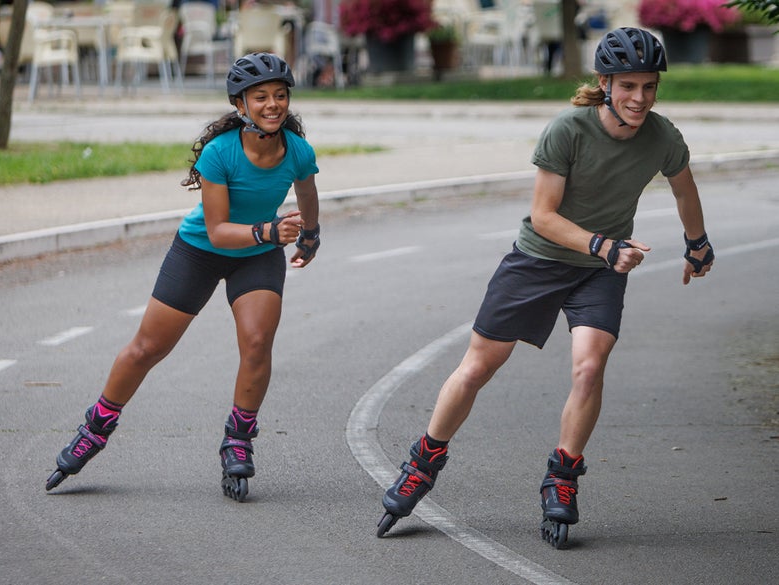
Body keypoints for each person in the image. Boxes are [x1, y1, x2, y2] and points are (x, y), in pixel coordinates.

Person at [377, 27, 715, 546]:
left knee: (589, 366)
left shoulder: (663, 136)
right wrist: (605, 246)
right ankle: (424, 461)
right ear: (605, 83)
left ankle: (562, 477)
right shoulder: (569, 130)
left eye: (649, 86)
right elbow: (544, 217)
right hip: (537, 262)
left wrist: (698, 245)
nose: (640, 98)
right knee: (476, 368)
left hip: (597, 271)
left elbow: (685, 190)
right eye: (628, 86)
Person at [45, 53, 321, 502]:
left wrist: (310, 234)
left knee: (257, 343)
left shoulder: (297, 149)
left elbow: (307, 190)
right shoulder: (220, 153)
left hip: (257, 256)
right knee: (147, 347)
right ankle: (95, 427)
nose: (273, 104)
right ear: (240, 105)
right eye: (260, 97)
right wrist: (270, 230)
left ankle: (238, 438)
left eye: (280, 95)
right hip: (199, 251)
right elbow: (217, 230)